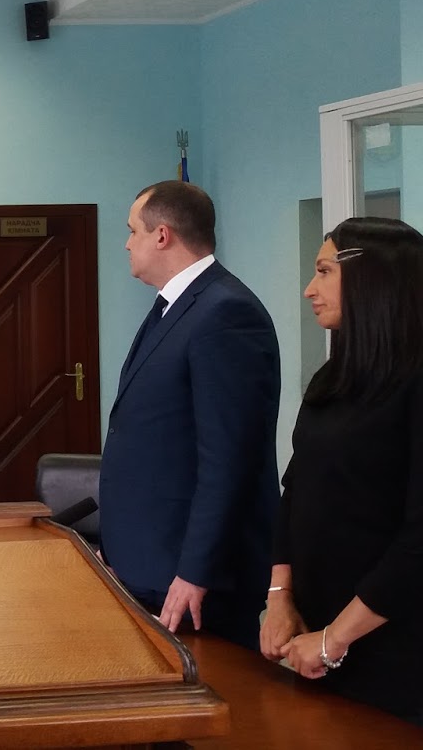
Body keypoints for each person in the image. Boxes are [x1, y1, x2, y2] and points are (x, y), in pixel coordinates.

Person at [260, 217, 423, 731]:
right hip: (318, 641)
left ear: (372, 278)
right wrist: (280, 599)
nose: (308, 289)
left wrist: (336, 637)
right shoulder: (333, 377)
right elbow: (295, 491)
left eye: (323, 271)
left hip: (400, 653)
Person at [98, 180, 280, 650]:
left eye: (132, 231)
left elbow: (229, 459)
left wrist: (197, 570)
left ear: (162, 235)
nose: (126, 244)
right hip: (149, 560)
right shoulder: (173, 306)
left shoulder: (226, 312)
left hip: (191, 577)